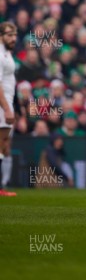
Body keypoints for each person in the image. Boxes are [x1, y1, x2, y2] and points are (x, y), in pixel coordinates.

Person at [0, 22, 18, 196]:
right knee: (1, 144)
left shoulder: (6, 54)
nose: (13, 38)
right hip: (1, 104)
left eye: (14, 35)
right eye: (9, 35)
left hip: (7, 102)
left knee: (4, 145)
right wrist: (6, 108)